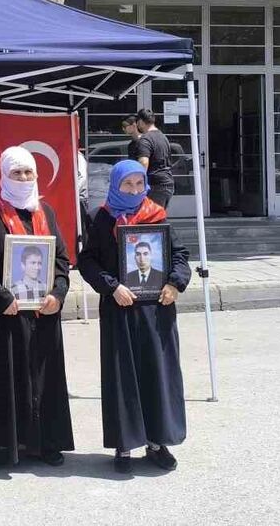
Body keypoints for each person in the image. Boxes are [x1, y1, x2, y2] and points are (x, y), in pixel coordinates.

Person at [77, 160, 190, 475]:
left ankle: (157, 442)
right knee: (122, 376)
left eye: (139, 184)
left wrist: (174, 283)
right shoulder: (101, 218)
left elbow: (179, 255)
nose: (134, 190)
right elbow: (87, 261)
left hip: (157, 311)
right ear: (116, 185)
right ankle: (124, 445)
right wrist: (112, 287)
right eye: (127, 184)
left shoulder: (156, 215)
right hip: (120, 309)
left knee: (157, 374)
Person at [0, 146, 74, 472]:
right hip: (1, 316)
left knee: (42, 380)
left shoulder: (46, 212)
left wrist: (58, 292)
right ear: (4, 175)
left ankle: (43, 443)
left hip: (41, 315)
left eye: (28, 172)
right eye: (16, 172)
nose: (23, 178)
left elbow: (61, 260)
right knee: (1, 381)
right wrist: (2, 298)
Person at [133, 109, 175, 208]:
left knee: (151, 216)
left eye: (137, 122)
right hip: (167, 183)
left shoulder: (145, 139)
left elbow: (143, 162)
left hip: (155, 185)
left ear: (141, 122)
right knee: (158, 215)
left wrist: (138, 183)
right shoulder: (163, 137)